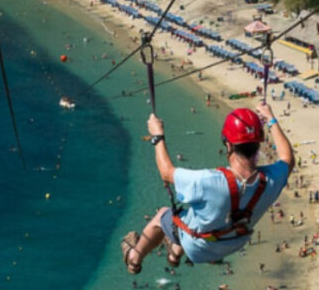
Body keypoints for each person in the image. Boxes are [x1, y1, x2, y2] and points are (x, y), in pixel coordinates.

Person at [121, 104, 294, 272]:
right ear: (258, 143)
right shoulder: (271, 181)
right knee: (190, 216)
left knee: (162, 215)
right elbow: (288, 158)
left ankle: (134, 258)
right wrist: (271, 119)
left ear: (228, 145)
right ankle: (174, 254)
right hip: (234, 243)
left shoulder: (209, 181)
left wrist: (157, 136)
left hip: (199, 247)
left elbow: (166, 172)